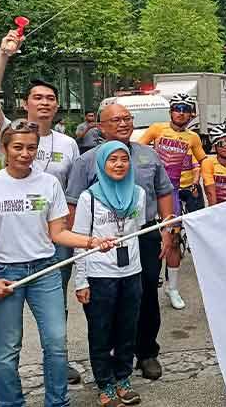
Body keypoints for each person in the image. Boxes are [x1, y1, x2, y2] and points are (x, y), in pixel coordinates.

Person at [0, 121, 115, 407]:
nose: (25, 153)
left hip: (45, 271)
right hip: (5, 273)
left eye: (31, 147)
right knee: (8, 348)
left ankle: (57, 402)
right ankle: (11, 403)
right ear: (4, 149)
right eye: (18, 147)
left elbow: (58, 233)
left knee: (56, 343)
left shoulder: (49, 183)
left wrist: (92, 242)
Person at [0, 30, 83, 402]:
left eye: (50, 99)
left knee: (56, 317)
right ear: (25, 104)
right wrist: (4, 56)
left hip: (56, 241)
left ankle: (58, 364)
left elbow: (72, 191)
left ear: (56, 107)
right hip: (13, 245)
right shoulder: (11, 133)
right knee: (4, 324)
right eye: (37, 97)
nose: (44, 103)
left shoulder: (68, 144)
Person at [66, 102, 175, 381]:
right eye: (115, 120)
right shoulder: (86, 161)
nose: (124, 123)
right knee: (104, 299)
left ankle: (146, 352)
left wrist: (167, 229)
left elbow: (164, 192)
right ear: (101, 126)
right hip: (101, 241)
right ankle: (109, 355)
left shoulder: (148, 155)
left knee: (147, 293)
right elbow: (74, 205)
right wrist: (80, 244)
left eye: (127, 118)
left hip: (144, 234)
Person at [73, 141, 148, 407]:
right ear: (102, 164)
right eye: (112, 160)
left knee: (128, 329)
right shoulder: (88, 198)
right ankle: (104, 383)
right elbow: (79, 241)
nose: (118, 164)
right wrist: (80, 281)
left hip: (131, 272)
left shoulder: (138, 193)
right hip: (99, 274)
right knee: (101, 331)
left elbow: (136, 229)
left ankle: (123, 378)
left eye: (123, 159)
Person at [136, 92, 205, 311]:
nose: (181, 113)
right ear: (171, 112)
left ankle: (172, 287)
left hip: (173, 190)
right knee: (142, 235)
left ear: (191, 115)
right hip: (148, 188)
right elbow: (136, 151)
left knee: (174, 239)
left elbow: (203, 161)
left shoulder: (192, 138)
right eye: (177, 109)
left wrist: (198, 180)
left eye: (186, 110)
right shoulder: (157, 129)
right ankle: (142, 281)